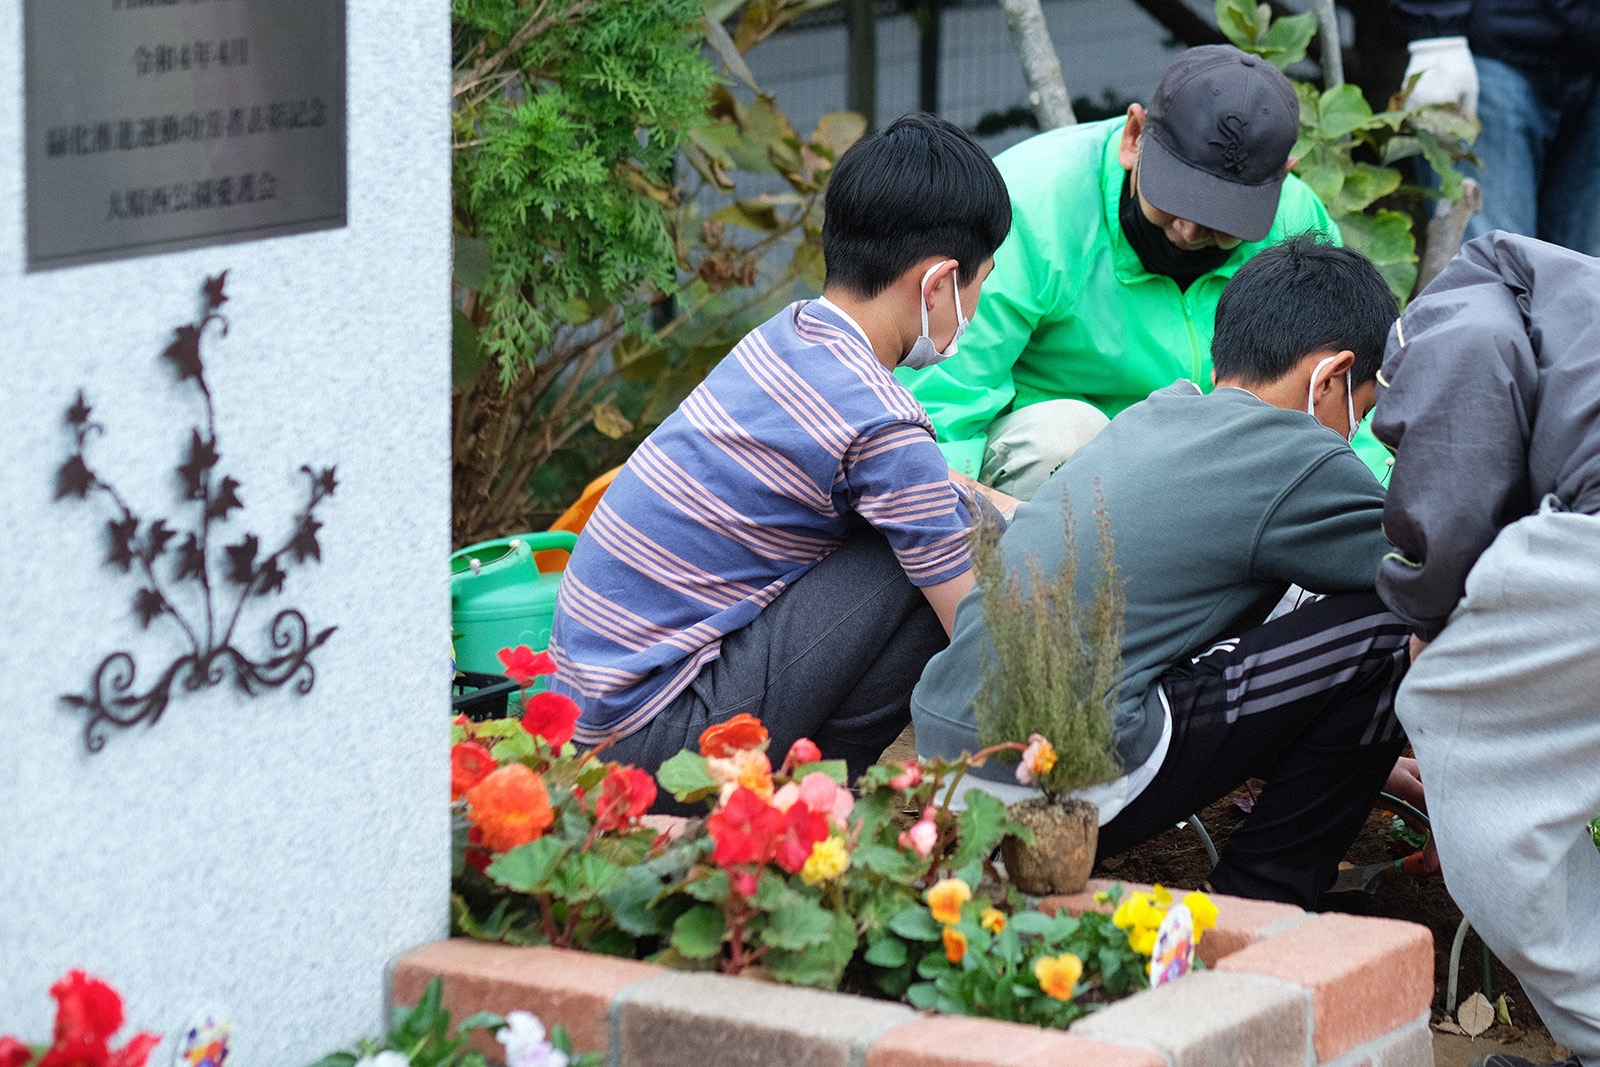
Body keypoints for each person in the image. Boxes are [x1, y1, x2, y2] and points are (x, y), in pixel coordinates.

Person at [913, 237, 1413, 909]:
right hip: (1062, 779)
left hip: (945, 759)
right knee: (1389, 625)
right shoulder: (1302, 457)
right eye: (1365, 406)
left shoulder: (1155, 413)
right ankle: (1263, 895)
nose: (1355, 432)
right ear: (1329, 378)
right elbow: (1440, 572)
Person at [546, 113, 1014, 803]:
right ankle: (809, 799)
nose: (976, 305)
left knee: (936, 520)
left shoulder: (790, 338)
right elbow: (977, 633)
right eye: (981, 284)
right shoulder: (882, 421)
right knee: (927, 560)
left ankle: (807, 790)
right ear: (938, 283)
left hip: (590, 717)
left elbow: (931, 487)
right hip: (649, 752)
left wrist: (1015, 509)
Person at [898, 45, 1387, 501]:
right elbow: (946, 400)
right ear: (1135, 137)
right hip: (1053, 478)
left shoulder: (1294, 221)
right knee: (1063, 438)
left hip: (1210, 463)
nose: (1190, 230)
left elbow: (1350, 395)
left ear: (1282, 179)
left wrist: (1365, 507)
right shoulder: (1032, 204)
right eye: (1176, 196)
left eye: (1225, 218)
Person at [1372, 232, 1600, 1067]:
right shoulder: (1562, 295)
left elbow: (1456, 484)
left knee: (1455, 726)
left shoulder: (1450, 321)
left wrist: (1426, 624)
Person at [1392, 0, 1600, 257]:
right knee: (1492, 267)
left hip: (1590, 52)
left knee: (1587, 277)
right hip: (1488, 50)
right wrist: (1437, 36)